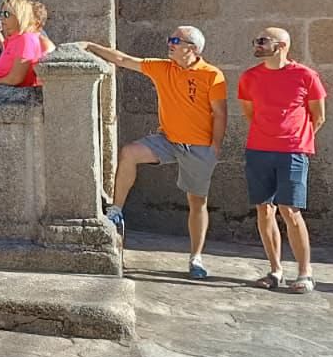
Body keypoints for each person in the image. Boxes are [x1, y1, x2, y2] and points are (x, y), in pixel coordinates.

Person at [85, 27, 227, 279]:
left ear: (191, 48)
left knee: (197, 202)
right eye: (170, 39)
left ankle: (196, 258)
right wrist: (90, 46)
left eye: (175, 40)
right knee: (129, 153)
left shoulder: (212, 75)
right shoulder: (162, 68)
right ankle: (116, 210)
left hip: (199, 147)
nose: (169, 44)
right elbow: (123, 60)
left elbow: (220, 113)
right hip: (168, 140)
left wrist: (215, 146)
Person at [239, 28, 325, 294]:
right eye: (256, 40)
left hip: (293, 152)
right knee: (264, 209)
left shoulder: (306, 76)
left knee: (290, 210)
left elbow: (318, 116)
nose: (257, 44)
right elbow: (249, 112)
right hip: (258, 150)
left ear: (282, 45)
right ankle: (275, 270)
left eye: (263, 41)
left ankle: (305, 272)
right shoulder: (249, 77)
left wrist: (294, 139)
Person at [0, 0, 44, 87]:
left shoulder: (26, 39)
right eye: (1, 14)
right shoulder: (13, 40)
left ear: (19, 15)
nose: (2, 19)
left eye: (6, 14)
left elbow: (15, 78)